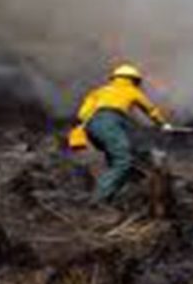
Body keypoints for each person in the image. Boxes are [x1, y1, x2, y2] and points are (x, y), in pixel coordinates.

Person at [72, 64, 171, 202]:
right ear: (133, 80)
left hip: (92, 126)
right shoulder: (131, 91)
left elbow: (82, 114)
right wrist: (163, 124)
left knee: (117, 158)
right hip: (110, 123)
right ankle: (98, 199)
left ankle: (119, 187)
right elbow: (150, 110)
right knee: (123, 162)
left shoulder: (99, 91)